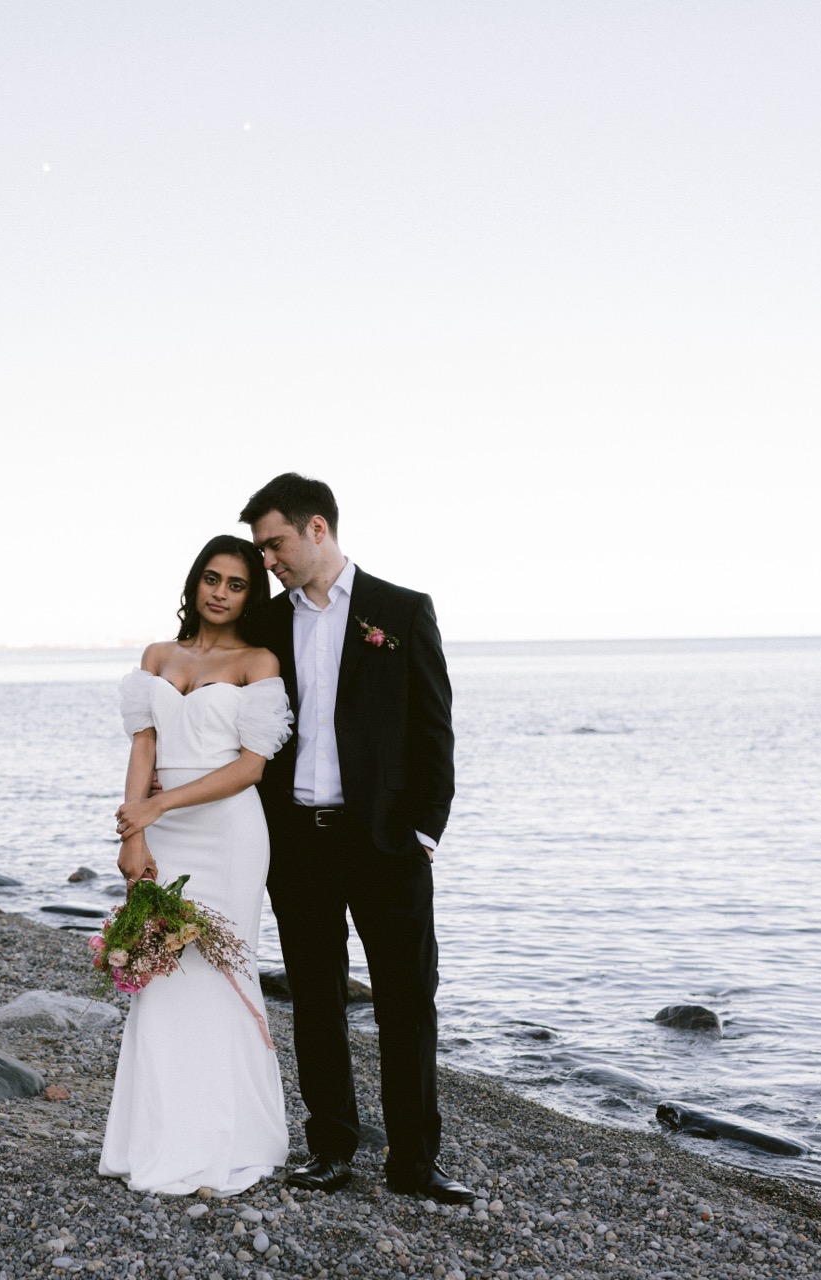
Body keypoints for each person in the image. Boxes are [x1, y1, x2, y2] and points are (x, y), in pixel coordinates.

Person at [240, 472, 474, 1205]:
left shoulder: (400, 611)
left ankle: (414, 1161)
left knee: (408, 1001)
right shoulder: (267, 625)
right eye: (261, 547)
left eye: (274, 542)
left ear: (318, 529)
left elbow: (435, 730)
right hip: (298, 842)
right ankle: (331, 1148)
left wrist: (425, 832)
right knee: (315, 998)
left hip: (384, 844)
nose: (267, 559)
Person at [98, 534, 294, 1196]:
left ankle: (228, 1140)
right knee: (160, 974)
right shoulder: (157, 655)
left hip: (229, 833)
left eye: (236, 584)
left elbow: (250, 767)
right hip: (162, 829)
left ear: (249, 596)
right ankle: (152, 1139)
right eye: (212, 578)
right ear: (195, 581)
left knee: (219, 972)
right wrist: (134, 831)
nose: (220, 592)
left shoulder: (258, 660)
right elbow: (143, 751)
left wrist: (161, 807)